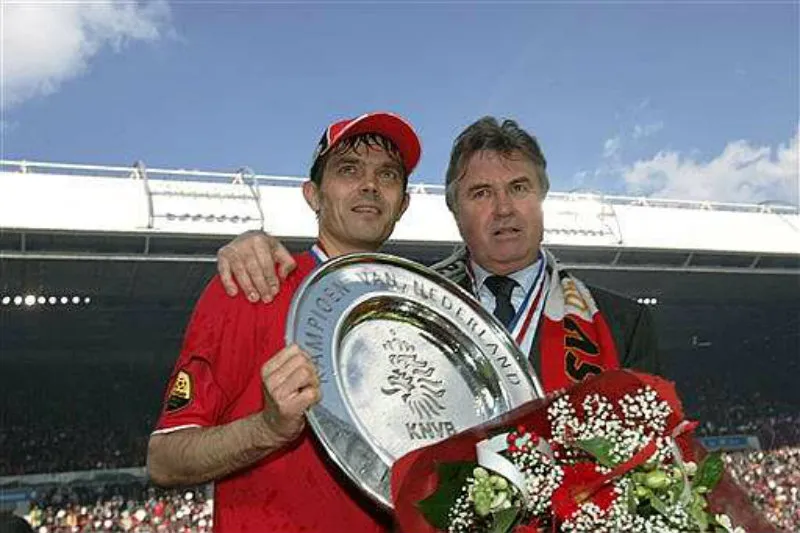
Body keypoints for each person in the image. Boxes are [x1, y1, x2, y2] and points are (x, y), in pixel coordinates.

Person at [215, 116, 661, 393]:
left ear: (543, 196)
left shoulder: (622, 323)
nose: (503, 208)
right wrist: (251, 239)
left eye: (519, 188)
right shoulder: (408, 304)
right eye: (481, 193)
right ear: (454, 209)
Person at [147, 111, 420, 533]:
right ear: (313, 194)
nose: (370, 184)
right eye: (349, 170)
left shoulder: (420, 311)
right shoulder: (251, 287)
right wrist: (268, 428)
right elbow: (164, 459)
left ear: (402, 203)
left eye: (387, 175)